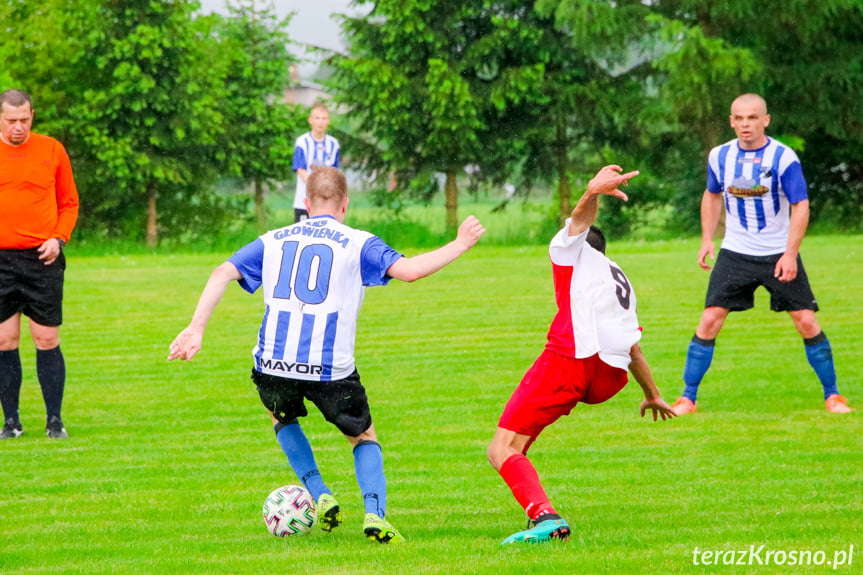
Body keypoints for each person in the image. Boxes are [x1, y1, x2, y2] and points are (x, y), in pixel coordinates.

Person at [168, 166, 485, 543]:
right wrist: (461, 243)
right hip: (329, 367)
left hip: (272, 362)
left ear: (306, 203)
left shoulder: (273, 239)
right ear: (345, 204)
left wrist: (196, 328)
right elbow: (410, 271)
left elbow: (223, 271)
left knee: (279, 415)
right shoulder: (356, 241)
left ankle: (320, 495)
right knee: (363, 436)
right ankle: (374, 515)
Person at [487, 165, 676, 546]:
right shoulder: (617, 274)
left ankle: (546, 517)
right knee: (519, 442)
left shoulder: (571, 252)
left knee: (499, 448)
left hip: (569, 359)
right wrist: (652, 394)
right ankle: (535, 506)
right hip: (609, 375)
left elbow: (579, 218)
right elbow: (634, 347)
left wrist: (592, 192)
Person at [671, 93, 852, 416]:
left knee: (806, 321)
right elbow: (712, 196)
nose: (745, 124)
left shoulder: (783, 158)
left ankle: (833, 396)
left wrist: (790, 253)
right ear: (731, 121)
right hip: (735, 252)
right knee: (710, 319)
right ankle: (687, 398)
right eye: (739, 118)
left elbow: (801, 205)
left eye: (752, 118)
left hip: (777, 253)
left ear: (765, 120)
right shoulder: (720, 156)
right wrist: (706, 240)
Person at [0, 89, 79, 440]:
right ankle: (11, 423)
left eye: (24, 119)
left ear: (32, 114)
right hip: (1, 260)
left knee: (46, 339)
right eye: (10, 120)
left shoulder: (52, 150)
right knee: (4, 340)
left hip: (43, 257)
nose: (18, 127)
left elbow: (70, 203)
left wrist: (58, 238)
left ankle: (54, 421)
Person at [292, 103, 340, 223]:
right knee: (303, 238)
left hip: (327, 203)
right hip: (304, 201)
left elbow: (334, 171)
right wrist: (316, 187)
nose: (320, 122)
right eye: (317, 118)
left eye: (324, 118)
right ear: (310, 120)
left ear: (328, 121)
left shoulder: (333, 144)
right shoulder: (302, 142)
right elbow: (301, 169)